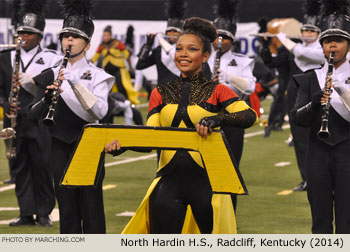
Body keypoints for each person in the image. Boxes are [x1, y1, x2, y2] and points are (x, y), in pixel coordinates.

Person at [105, 17, 258, 234]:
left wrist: (217, 120)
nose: (183, 54)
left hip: (208, 186)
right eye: (179, 49)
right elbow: (150, 138)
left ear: (205, 55)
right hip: (168, 182)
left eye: (192, 49)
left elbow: (250, 116)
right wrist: (123, 147)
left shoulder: (217, 91)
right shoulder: (160, 92)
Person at [27, 0, 115, 233]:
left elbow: (99, 112)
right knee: (66, 205)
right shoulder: (50, 74)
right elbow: (32, 114)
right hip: (58, 145)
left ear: (87, 44)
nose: (68, 41)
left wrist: (75, 83)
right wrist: (46, 99)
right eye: (65, 36)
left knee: (91, 205)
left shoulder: (99, 76)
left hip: (88, 144)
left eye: (75, 37)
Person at [291, 0, 350, 233]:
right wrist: (315, 102)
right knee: (320, 219)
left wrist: (342, 91)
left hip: (347, 151)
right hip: (317, 153)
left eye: (339, 41)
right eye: (326, 41)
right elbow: (297, 117)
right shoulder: (309, 77)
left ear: (348, 44)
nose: (332, 45)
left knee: (347, 218)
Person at [0, 0, 60, 227]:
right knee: (19, 167)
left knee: (42, 165)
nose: (23, 36)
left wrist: (31, 82)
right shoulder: (5, 57)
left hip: (39, 121)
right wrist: (5, 103)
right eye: (21, 32)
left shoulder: (51, 58)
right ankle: (25, 212)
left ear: (40, 36)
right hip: (13, 120)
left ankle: (44, 213)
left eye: (29, 33)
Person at [208, 0, 256, 210]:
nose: (220, 41)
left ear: (232, 40)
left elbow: (250, 88)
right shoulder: (202, 57)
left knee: (231, 167)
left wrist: (227, 76)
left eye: (225, 37)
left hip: (232, 119)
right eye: (217, 36)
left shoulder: (242, 61)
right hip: (206, 116)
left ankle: (229, 216)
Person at [277, 0, 325, 192]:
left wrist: (284, 39)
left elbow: (303, 54)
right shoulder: (299, 47)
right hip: (296, 90)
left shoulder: (322, 49)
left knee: (319, 137)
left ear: (319, 33)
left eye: (312, 31)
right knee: (299, 137)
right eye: (304, 31)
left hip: (316, 90)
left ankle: (322, 177)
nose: (307, 34)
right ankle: (306, 178)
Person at [135, 0, 185, 87]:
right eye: (169, 31)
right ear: (166, 33)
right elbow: (140, 65)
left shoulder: (185, 50)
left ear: (181, 33)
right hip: (162, 93)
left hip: (180, 92)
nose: (172, 34)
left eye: (175, 32)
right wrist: (148, 45)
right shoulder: (159, 51)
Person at [91, 25, 139, 105]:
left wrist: (130, 67)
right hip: (107, 71)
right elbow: (95, 56)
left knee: (122, 87)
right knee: (106, 89)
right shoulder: (102, 45)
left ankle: (126, 102)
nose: (105, 37)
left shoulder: (117, 43)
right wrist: (89, 64)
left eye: (107, 35)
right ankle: (107, 104)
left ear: (110, 35)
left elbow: (126, 55)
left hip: (119, 70)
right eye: (104, 35)